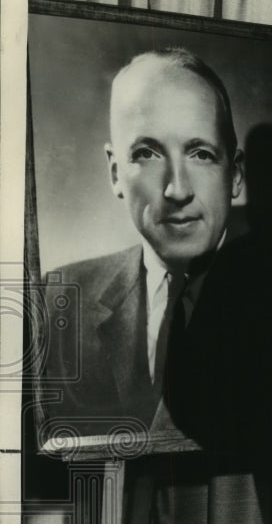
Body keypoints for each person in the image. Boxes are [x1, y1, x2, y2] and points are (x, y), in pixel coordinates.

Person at [40, 48, 245, 438]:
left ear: (234, 174)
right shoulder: (57, 300)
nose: (177, 188)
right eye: (147, 154)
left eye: (201, 154)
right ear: (116, 173)